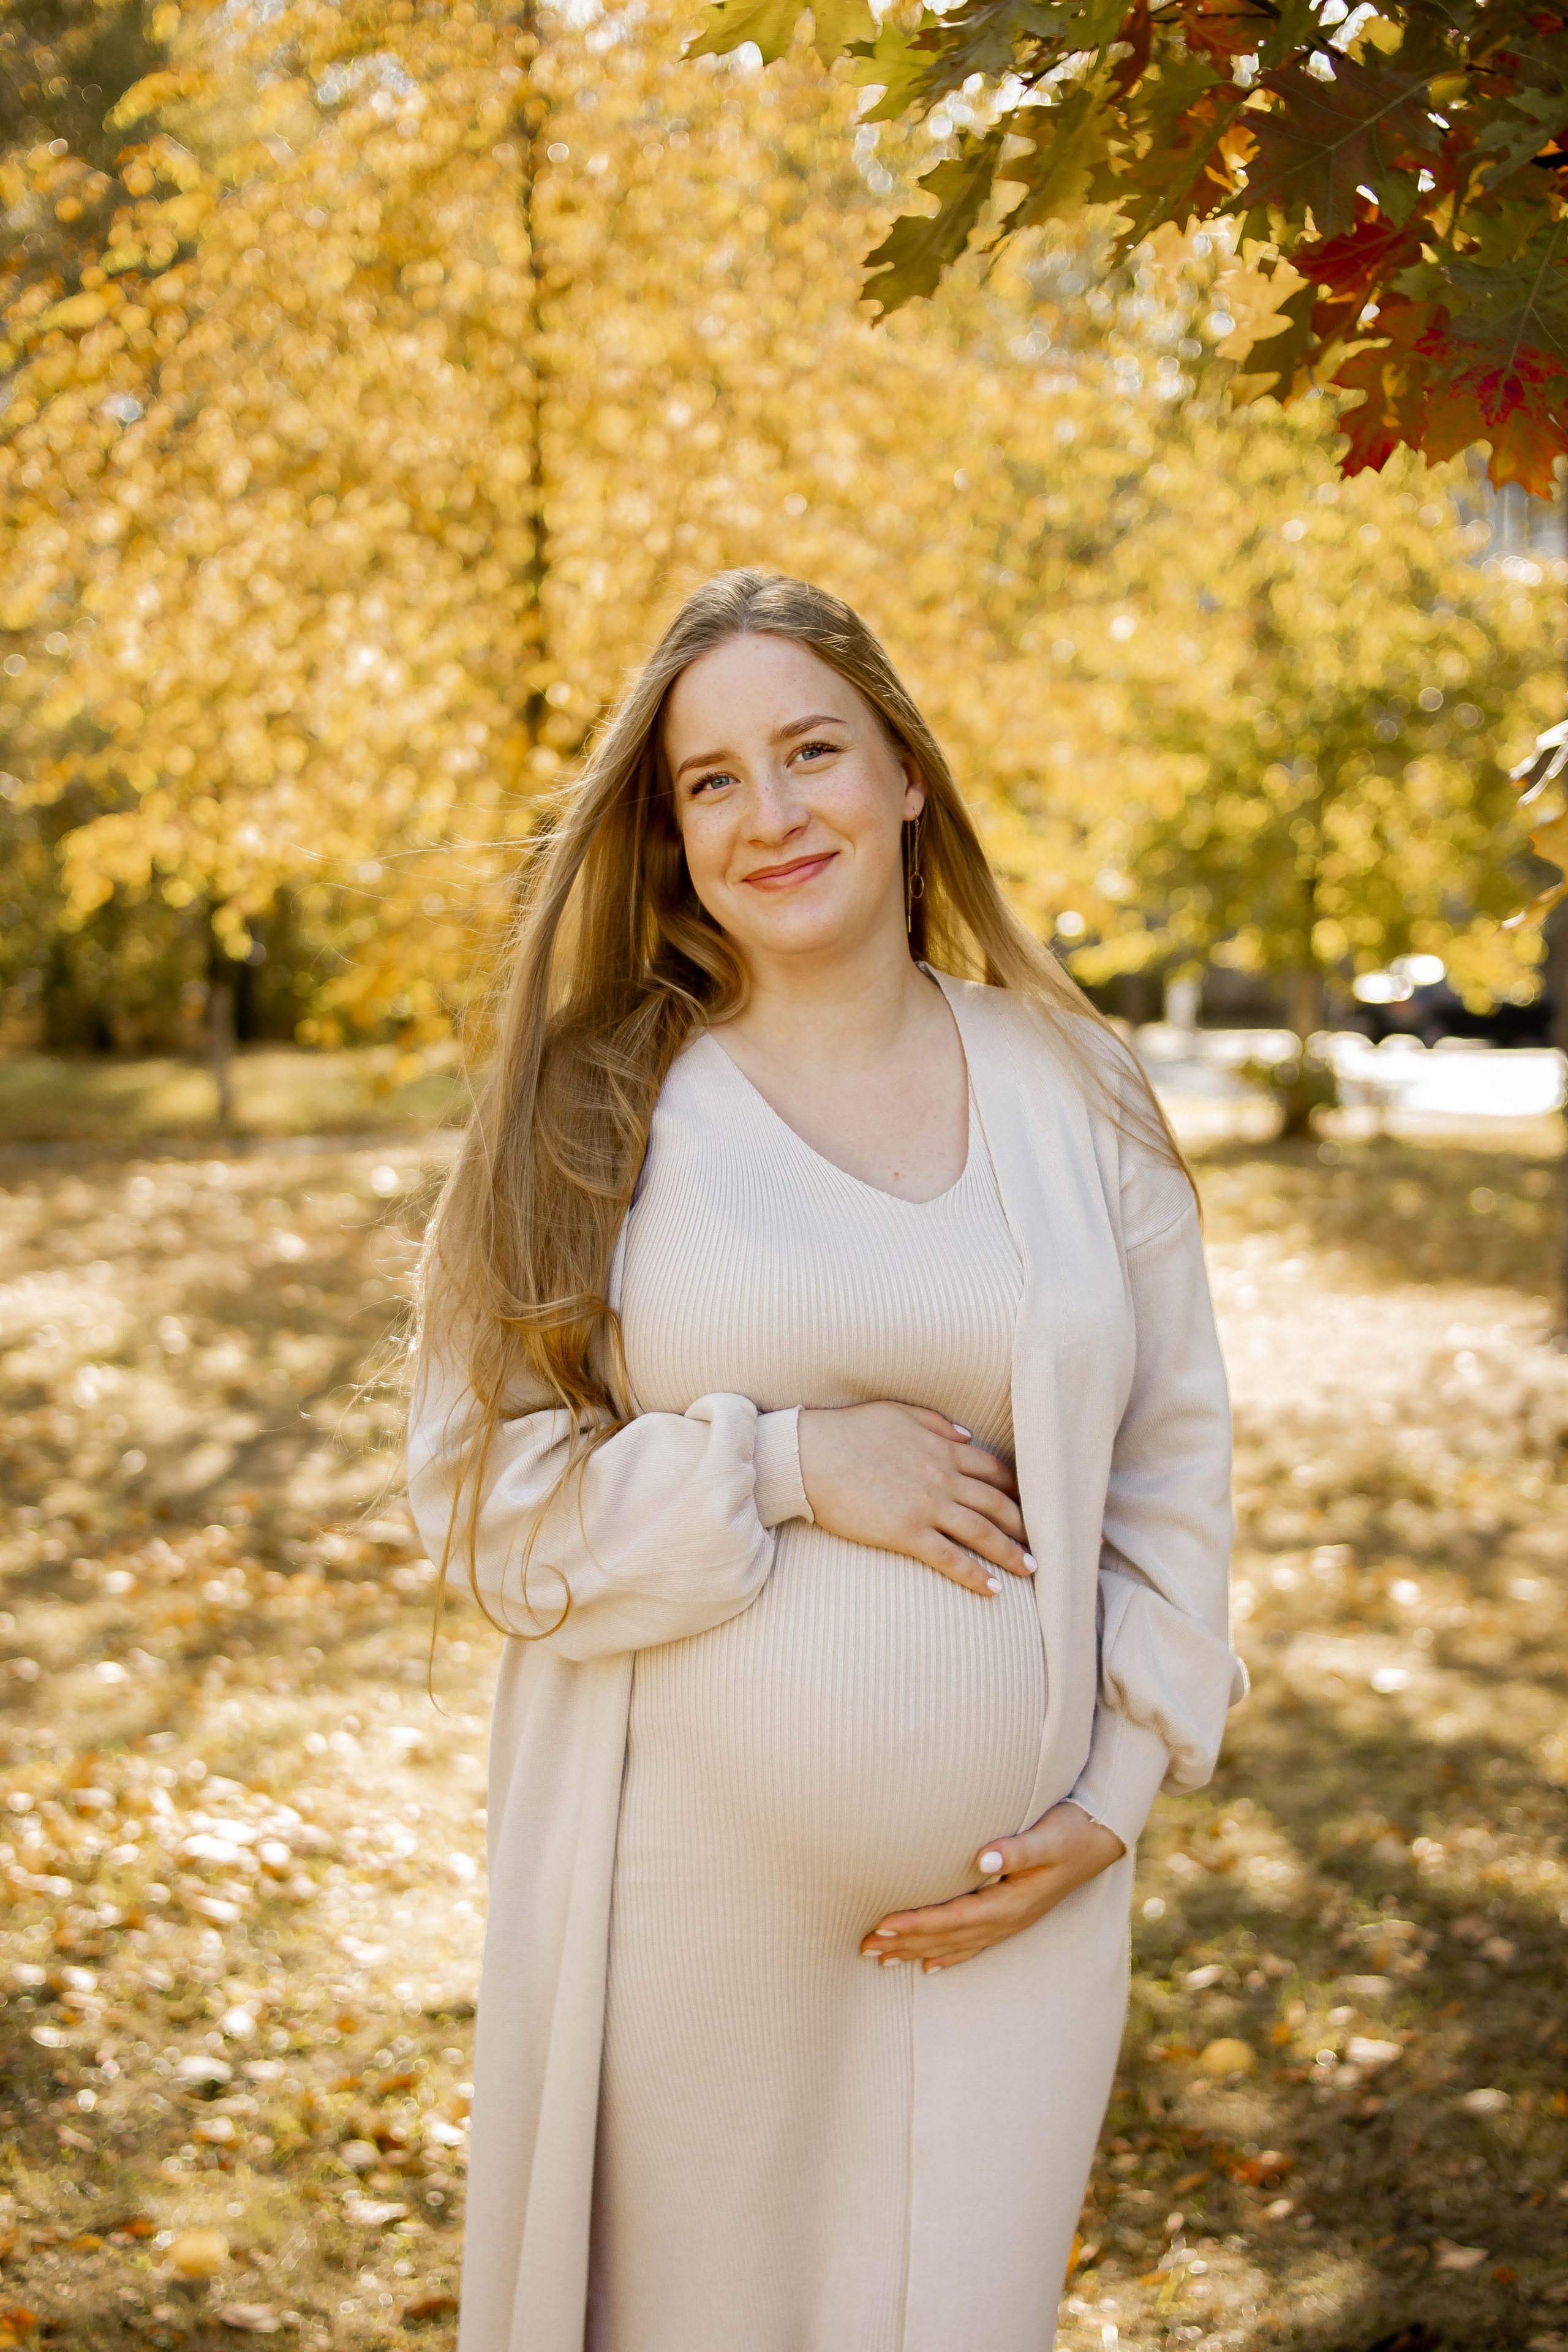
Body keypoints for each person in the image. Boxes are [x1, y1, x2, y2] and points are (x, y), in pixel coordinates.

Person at [407, 570, 1244, 2352]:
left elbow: (1176, 1462)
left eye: (812, 752)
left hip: (1018, 1926)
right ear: (669, 827)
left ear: (907, 776)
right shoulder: (594, 1108)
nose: (773, 815)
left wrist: (1114, 1797)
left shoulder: (1074, 1086)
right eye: (713, 780)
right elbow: (482, 1504)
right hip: (684, 1916)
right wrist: (788, 1464)